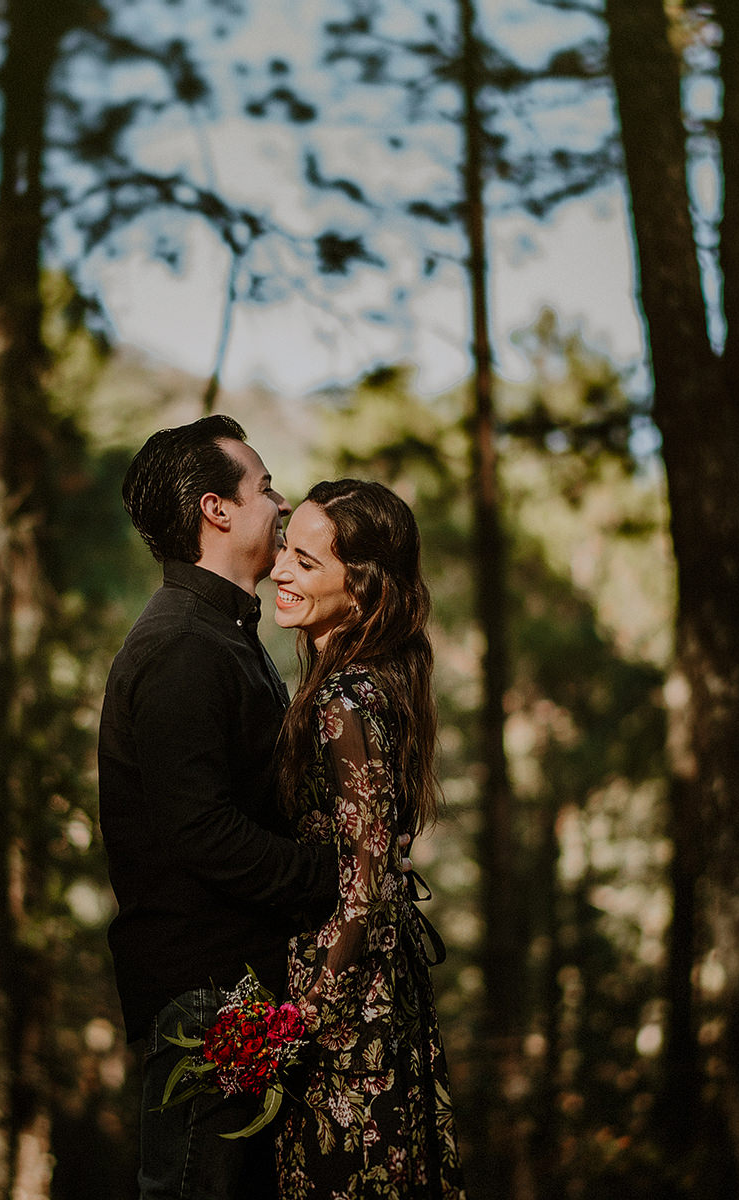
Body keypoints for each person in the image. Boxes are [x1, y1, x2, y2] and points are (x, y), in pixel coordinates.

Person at [98, 415, 339, 1200]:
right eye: (264, 486)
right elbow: (201, 830)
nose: (280, 502)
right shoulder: (182, 648)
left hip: (239, 987)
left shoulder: (223, 637)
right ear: (217, 510)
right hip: (210, 997)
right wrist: (330, 875)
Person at [268, 478, 466, 1200]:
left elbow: (366, 877)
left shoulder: (343, 700)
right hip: (381, 991)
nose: (280, 572)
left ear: (360, 592)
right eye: (285, 551)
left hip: (347, 1010)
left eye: (306, 563)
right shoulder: (380, 681)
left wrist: (304, 1021)